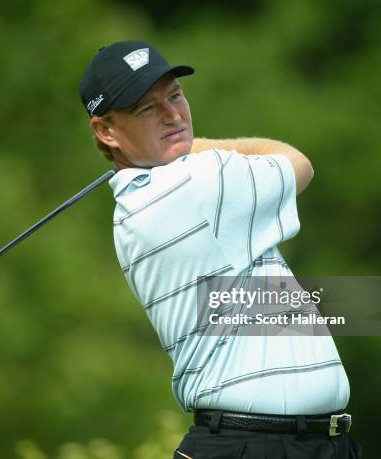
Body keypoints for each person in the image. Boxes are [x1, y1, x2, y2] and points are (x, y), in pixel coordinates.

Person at [79, 40, 362, 459]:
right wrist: (198, 144)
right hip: (253, 446)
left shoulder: (138, 205)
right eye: (147, 109)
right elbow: (298, 162)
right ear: (106, 131)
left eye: (174, 95)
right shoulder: (195, 185)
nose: (173, 114)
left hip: (300, 443)